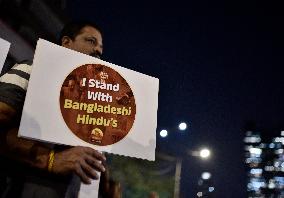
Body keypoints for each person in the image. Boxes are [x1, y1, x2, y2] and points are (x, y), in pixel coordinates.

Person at [0, 21, 106, 198]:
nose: (99, 51)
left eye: (101, 47)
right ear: (66, 43)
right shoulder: (31, 70)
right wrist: (49, 159)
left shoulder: (91, 101)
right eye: (91, 41)